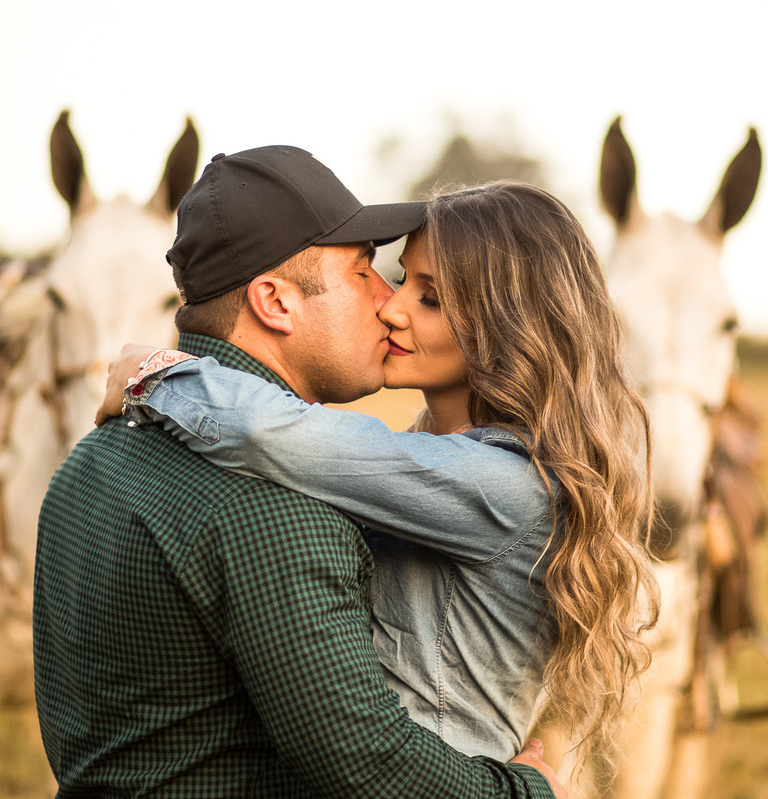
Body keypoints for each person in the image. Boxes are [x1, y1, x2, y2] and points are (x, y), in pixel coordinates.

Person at [33, 146, 564, 798]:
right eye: (364, 272)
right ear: (276, 302)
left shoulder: (85, 463)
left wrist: (156, 376)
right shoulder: (280, 505)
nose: (387, 303)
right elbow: (365, 759)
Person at [102, 180, 661, 790]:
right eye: (403, 280)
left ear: (511, 327)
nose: (392, 308)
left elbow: (276, 435)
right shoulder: (434, 461)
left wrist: (156, 374)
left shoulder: (504, 484)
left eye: (431, 299)